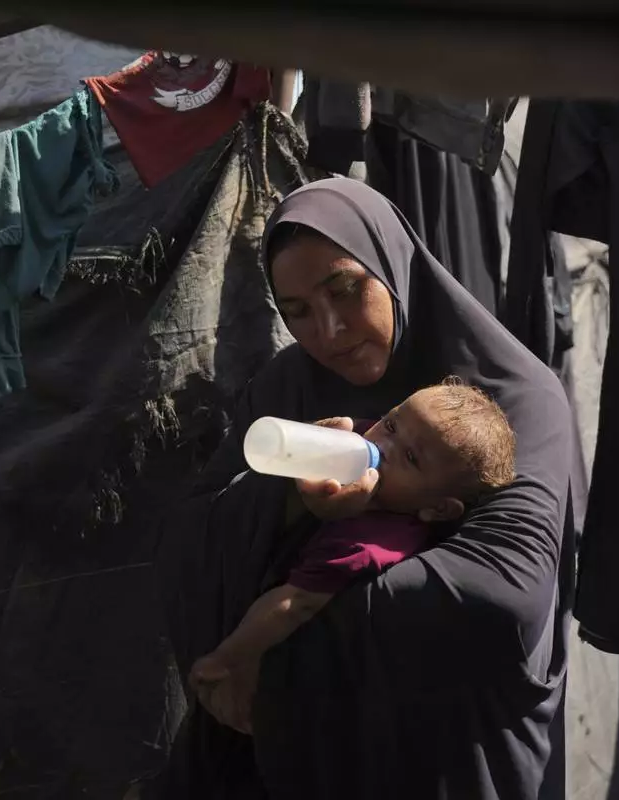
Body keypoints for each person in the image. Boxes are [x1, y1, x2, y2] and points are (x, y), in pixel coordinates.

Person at [147, 177, 575, 800]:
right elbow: (187, 542)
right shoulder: (287, 388)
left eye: (345, 290)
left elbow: (506, 595)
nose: (329, 331)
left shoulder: (513, 399)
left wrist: (279, 640)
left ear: (390, 265)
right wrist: (293, 499)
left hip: (439, 754)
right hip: (282, 749)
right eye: (296, 313)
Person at [189, 379, 519, 734]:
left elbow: (294, 604)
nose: (381, 445)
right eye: (391, 424)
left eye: (410, 457)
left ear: (437, 509)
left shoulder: (369, 545)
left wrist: (230, 657)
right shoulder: (362, 441)